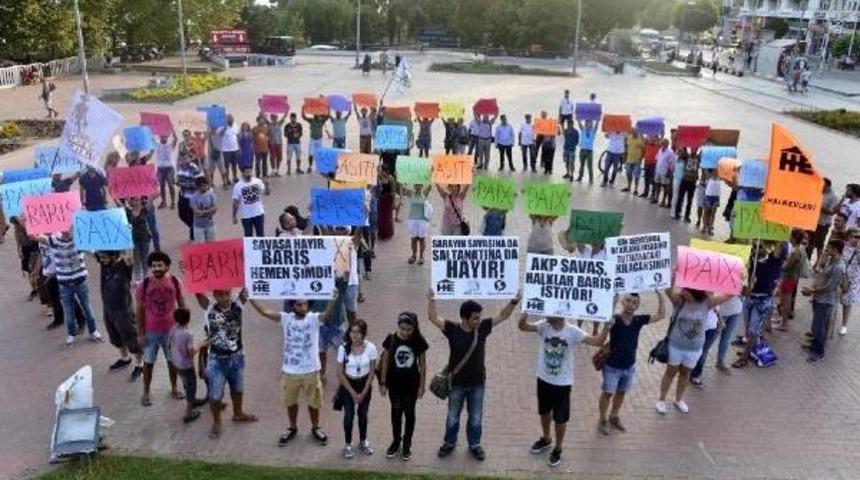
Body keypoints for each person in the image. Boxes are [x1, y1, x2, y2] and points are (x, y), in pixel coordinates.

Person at [428, 289, 521, 461]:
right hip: (456, 384)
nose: (479, 320)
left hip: (478, 383)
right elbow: (433, 318)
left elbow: (503, 316)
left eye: (479, 317)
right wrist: (432, 298)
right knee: (452, 416)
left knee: (476, 417)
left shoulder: (483, 327)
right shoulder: (452, 329)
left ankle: (474, 444)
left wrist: (514, 302)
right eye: (475, 318)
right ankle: (449, 442)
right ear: (464, 318)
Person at [248, 294, 340, 447]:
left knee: (314, 403)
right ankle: (292, 427)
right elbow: (264, 312)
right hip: (290, 371)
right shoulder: (285, 318)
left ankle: (316, 427)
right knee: (291, 402)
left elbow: (326, 315)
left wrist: (332, 299)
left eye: (304, 305)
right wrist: (251, 298)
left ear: (308, 306)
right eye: (298, 305)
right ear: (292, 306)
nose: (301, 307)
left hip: (311, 369)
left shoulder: (313, 318)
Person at [519, 312, 607, 467]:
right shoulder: (544, 326)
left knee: (560, 418)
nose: (545, 312)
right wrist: (524, 314)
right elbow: (523, 327)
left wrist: (607, 327)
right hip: (543, 379)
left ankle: (558, 448)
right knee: (544, 412)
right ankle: (546, 439)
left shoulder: (573, 331)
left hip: (562, 383)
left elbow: (597, 341)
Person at [656, 288, 732, 414]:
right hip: (676, 346)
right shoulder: (679, 301)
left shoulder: (707, 303)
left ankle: (678, 399)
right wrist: (673, 274)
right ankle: (661, 400)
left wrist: (738, 283)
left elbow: (728, 295)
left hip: (695, 348)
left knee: (686, 373)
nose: (683, 291)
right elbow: (668, 290)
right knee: (670, 372)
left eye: (687, 290)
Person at [599, 292, 665, 433]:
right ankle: (603, 419)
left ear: (638, 306)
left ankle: (614, 415)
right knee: (607, 393)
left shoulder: (638, 320)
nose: (631, 304)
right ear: (623, 302)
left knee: (621, 392)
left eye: (634, 303)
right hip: (612, 366)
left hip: (629, 366)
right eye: (628, 301)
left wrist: (660, 295)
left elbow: (661, 315)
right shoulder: (614, 319)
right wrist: (613, 301)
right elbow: (606, 320)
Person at [195, 288, 256, 438]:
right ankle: (216, 422)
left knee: (238, 389)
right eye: (220, 294)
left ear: (231, 293)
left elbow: (247, 287)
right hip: (216, 360)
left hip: (237, 357)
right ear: (214, 295)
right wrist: (188, 274)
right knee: (215, 396)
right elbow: (198, 291)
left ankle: (238, 413)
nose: (224, 298)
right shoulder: (209, 308)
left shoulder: (238, 306)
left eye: (227, 294)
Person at [137, 251, 186, 406]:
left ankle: (174, 387)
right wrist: (140, 333)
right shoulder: (143, 285)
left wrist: (183, 327)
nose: (156, 268)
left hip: (171, 331)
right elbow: (139, 310)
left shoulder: (175, 282)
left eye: (160, 265)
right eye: (154, 266)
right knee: (148, 363)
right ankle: (146, 391)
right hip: (150, 332)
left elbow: (181, 303)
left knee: (172, 362)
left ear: (167, 266)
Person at [379, 312, 428, 461]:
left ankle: (407, 445)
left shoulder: (419, 341)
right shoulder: (391, 340)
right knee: (395, 414)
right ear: (398, 326)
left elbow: (423, 364)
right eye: (402, 328)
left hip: (411, 385)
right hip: (394, 385)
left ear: (414, 327)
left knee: (409, 414)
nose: (406, 332)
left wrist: (422, 386)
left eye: (409, 329)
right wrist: (383, 382)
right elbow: (386, 361)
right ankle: (395, 442)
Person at [40, 230, 103, 345]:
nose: (66, 231)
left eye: (68, 228)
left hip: (80, 280)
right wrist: (28, 224)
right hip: (65, 283)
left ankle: (93, 331)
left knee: (87, 307)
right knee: (69, 311)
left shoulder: (79, 240)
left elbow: (92, 251)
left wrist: (99, 254)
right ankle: (71, 334)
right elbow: (36, 237)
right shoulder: (54, 240)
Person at [733, 241, 786, 368]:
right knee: (748, 329)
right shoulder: (754, 256)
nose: (760, 248)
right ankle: (750, 349)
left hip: (762, 300)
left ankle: (744, 358)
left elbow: (780, 245)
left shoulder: (775, 259)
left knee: (753, 331)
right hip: (750, 297)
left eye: (763, 246)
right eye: (759, 246)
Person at [96, 250, 143, 381]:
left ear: (114, 256)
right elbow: (90, 250)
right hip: (108, 309)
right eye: (100, 257)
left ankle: (140, 364)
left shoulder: (123, 267)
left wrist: (127, 239)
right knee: (115, 336)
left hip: (123, 311)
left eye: (104, 257)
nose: (101, 259)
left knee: (131, 337)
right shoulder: (103, 265)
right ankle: (125, 358)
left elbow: (129, 256)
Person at [335, 320, 377, 459]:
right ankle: (348, 444)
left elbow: (372, 371)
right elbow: (339, 373)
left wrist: (364, 391)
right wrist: (353, 393)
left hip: (364, 384)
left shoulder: (371, 348)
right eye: (352, 331)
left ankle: (363, 441)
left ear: (364, 333)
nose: (354, 335)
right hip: (348, 385)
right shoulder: (343, 348)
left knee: (363, 415)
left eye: (358, 332)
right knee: (349, 416)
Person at [803, 239, 846, 362]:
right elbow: (820, 272)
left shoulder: (839, 267)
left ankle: (819, 352)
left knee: (819, 327)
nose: (826, 251)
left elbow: (830, 288)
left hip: (825, 301)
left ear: (835, 250)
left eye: (828, 249)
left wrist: (812, 291)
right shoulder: (832, 261)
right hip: (819, 298)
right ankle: (814, 346)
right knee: (817, 325)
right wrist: (823, 258)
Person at [169, 308, 207, 424]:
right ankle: (188, 413)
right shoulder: (187, 334)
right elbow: (190, 352)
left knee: (186, 384)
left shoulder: (173, 330)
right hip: (186, 365)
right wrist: (201, 345)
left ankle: (193, 401)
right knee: (191, 387)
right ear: (188, 319)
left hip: (177, 363)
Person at [774, 230, 809, 331]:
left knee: (785, 301)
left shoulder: (795, 251)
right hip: (793, 278)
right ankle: (782, 320)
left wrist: (783, 262)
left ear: (794, 238)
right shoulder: (801, 249)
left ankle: (784, 323)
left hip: (788, 278)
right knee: (785, 300)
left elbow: (787, 266)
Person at [176, 148, 206, 240]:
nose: (185, 160)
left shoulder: (194, 168)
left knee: (192, 215)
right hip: (183, 194)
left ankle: (194, 232)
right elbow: (179, 179)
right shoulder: (180, 167)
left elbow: (200, 183)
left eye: (187, 158)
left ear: (190, 158)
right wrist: (178, 183)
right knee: (181, 215)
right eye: (183, 158)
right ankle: (193, 227)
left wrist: (185, 184)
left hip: (192, 196)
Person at [808, 178, 839, 260]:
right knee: (810, 242)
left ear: (828, 186)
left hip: (823, 224)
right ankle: (808, 258)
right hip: (813, 222)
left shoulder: (834, 197)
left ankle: (818, 262)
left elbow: (832, 212)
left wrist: (818, 207)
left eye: (823, 185)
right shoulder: (819, 192)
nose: (821, 187)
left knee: (819, 244)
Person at [232, 167, 266, 237]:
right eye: (247, 172)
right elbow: (236, 202)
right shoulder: (238, 186)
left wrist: (267, 185)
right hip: (246, 215)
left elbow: (266, 193)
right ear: (242, 173)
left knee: (261, 235)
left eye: (250, 172)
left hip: (258, 213)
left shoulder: (257, 182)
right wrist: (234, 215)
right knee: (248, 236)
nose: (249, 174)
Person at [837, 230, 860, 336]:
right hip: (839, 277)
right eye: (856, 236)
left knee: (847, 303)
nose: (857, 239)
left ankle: (844, 325)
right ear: (849, 236)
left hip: (852, 280)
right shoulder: (843, 246)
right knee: (834, 301)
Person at [404, 183, 432, 265]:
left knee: (422, 240)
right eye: (416, 185)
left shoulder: (425, 193)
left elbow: (430, 185)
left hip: (423, 220)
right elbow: (402, 187)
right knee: (413, 239)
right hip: (412, 220)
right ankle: (413, 255)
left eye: (419, 185)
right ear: (414, 186)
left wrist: (432, 173)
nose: (418, 187)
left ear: (422, 186)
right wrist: (399, 175)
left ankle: (421, 256)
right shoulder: (410, 193)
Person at [125, 197, 152, 282]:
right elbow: (119, 204)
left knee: (145, 259)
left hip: (145, 238)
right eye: (134, 200)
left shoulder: (144, 210)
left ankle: (146, 277)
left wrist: (150, 191)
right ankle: (138, 279)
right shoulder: (128, 212)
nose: (136, 202)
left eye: (138, 200)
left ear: (140, 201)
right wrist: (114, 195)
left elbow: (152, 197)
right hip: (134, 239)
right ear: (131, 202)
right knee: (136, 260)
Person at [674, 149, 699, 222]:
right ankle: (677, 213)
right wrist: (684, 150)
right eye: (692, 148)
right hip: (685, 179)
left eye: (695, 148)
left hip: (692, 181)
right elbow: (679, 154)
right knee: (680, 197)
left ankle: (687, 216)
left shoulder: (699, 157)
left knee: (690, 200)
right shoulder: (686, 156)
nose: (693, 150)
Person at [154, 132, 178, 209]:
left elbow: (176, 139)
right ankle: (163, 201)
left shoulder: (170, 145)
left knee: (171, 185)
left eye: (165, 137)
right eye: (162, 136)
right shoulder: (157, 144)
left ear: (167, 137)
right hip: (160, 168)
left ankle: (173, 202)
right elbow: (150, 138)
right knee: (162, 186)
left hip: (169, 168)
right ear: (159, 136)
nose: (163, 138)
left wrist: (171, 128)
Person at [190, 176, 217, 242]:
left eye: (206, 185)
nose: (205, 187)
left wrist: (203, 212)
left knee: (212, 245)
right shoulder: (193, 197)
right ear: (198, 187)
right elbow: (196, 212)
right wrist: (209, 211)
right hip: (198, 226)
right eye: (203, 186)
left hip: (210, 224)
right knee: (200, 246)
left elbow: (215, 209)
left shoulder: (211, 195)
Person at [218, 115, 241, 184]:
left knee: (234, 165)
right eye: (229, 119)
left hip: (235, 148)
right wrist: (225, 126)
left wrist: (239, 146)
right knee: (226, 166)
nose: (230, 120)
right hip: (226, 150)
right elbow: (220, 134)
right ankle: (227, 179)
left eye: (231, 119)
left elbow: (237, 135)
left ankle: (235, 177)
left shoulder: (235, 125)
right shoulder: (222, 126)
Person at [652, 139, 674, 207]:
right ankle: (656, 198)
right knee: (657, 184)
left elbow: (672, 164)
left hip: (665, 172)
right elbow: (657, 159)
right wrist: (655, 169)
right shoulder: (660, 150)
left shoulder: (670, 152)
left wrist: (669, 172)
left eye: (664, 143)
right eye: (662, 143)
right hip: (658, 170)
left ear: (667, 144)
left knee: (665, 187)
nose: (663, 144)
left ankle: (663, 200)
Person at [377, 168, 397, 240]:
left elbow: (393, 190)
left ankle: (388, 233)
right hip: (381, 199)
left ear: (386, 171)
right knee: (381, 217)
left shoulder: (391, 178)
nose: (382, 172)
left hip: (388, 199)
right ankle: (381, 233)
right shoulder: (379, 177)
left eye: (383, 171)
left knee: (388, 217)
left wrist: (394, 202)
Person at [622, 129, 644, 194]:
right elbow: (626, 147)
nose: (634, 133)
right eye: (633, 132)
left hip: (637, 160)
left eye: (636, 132)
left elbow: (644, 149)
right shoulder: (629, 137)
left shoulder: (641, 138)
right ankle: (628, 187)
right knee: (628, 173)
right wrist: (624, 157)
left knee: (637, 175)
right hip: (629, 159)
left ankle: (636, 189)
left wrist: (641, 157)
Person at [701, 170, 722, 236]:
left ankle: (710, 228)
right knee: (706, 212)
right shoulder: (708, 176)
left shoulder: (720, 176)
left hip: (716, 197)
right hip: (708, 196)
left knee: (713, 213)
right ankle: (704, 227)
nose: (715, 171)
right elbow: (704, 171)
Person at [576, 119, 596, 183]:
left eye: (590, 123)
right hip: (582, 150)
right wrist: (578, 118)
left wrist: (598, 120)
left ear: (591, 124)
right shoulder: (583, 130)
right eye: (587, 122)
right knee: (581, 165)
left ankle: (591, 178)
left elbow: (596, 126)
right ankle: (580, 177)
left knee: (590, 166)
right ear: (585, 123)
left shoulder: (593, 131)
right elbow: (579, 124)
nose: (589, 124)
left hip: (589, 151)